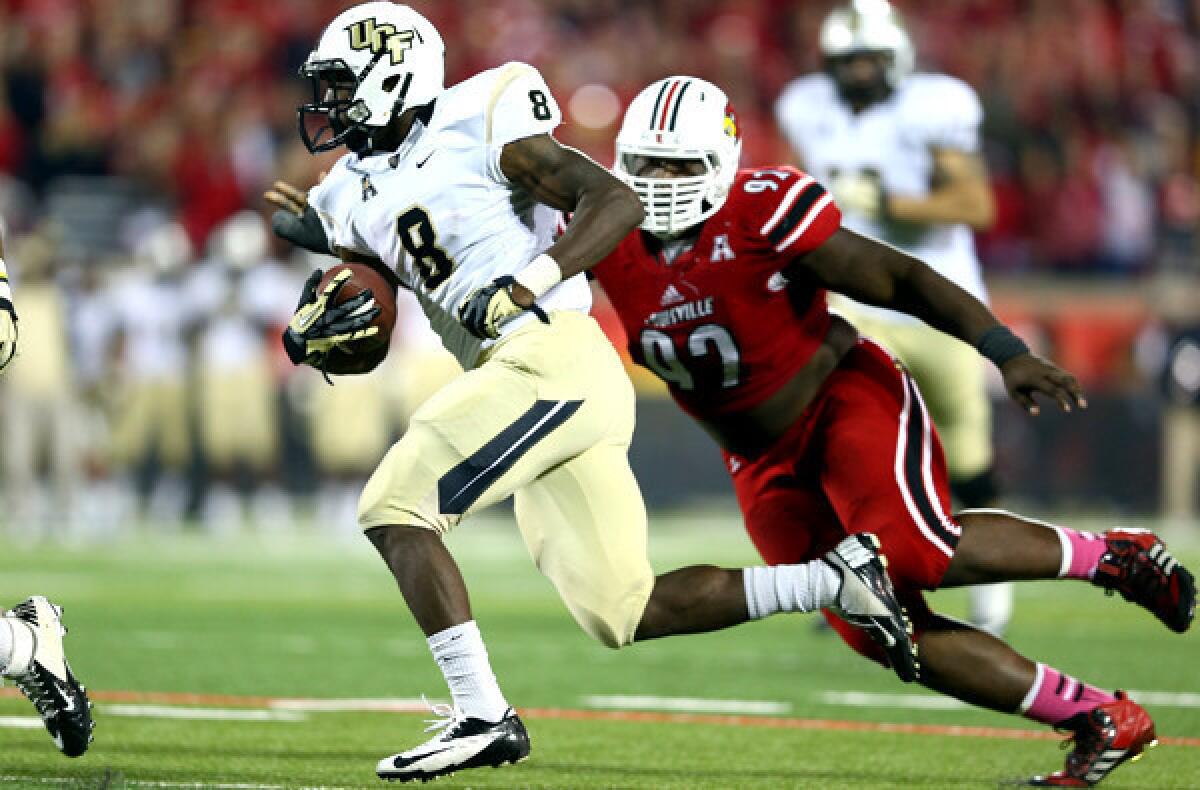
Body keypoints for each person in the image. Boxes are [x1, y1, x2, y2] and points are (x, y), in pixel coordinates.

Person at [266, 2, 916, 783]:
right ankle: (837, 577)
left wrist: (529, 278)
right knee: (621, 610)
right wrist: (331, 315)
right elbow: (376, 321)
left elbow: (616, 200)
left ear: (393, 70)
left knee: (395, 506)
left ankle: (481, 715)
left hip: (551, 357)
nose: (328, 105)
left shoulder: (484, 109)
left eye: (341, 85)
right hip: (524, 380)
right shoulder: (343, 191)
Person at [590, 74, 1196, 788]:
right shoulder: (602, 229)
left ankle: (1111, 556)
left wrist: (1005, 350)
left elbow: (900, 278)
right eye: (645, 163)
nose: (659, 183)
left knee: (910, 554)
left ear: (721, 161)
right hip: (757, 459)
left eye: (680, 165)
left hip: (843, 399)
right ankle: (1098, 717)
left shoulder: (761, 212)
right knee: (874, 625)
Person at [775, 0, 1013, 636]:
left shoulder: (935, 105)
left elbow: (977, 204)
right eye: (846, 61)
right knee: (844, 436)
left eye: (869, 59)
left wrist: (891, 201)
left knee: (965, 450)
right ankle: (856, 581)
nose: (857, 72)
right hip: (859, 300)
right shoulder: (806, 105)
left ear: (896, 59)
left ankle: (993, 597)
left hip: (940, 297)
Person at [0, 235, 94, 756]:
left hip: (50, 384)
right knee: (18, 462)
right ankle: (24, 646)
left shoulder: (55, 296)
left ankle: (25, 646)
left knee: (61, 460)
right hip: (21, 385)